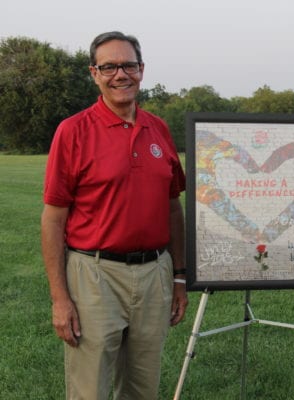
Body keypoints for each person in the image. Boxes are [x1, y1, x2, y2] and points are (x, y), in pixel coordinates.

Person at [41, 31, 188, 400]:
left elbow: (173, 208)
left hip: (155, 272)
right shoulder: (72, 131)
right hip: (94, 274)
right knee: (90, 388)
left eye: (128, 65)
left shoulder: (159, 129)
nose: (120, 74)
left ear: (142, 70)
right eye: (109, 67)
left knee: (143, 387)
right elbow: (53, 218)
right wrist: (60, 299)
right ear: (94, 73)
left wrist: (181, 277)